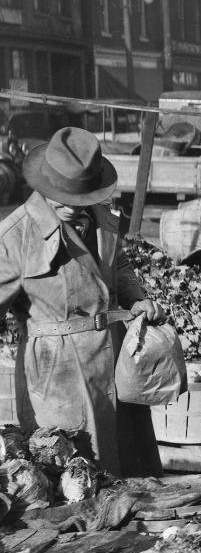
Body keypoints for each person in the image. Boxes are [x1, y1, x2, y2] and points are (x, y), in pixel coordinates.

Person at [0, 128, 164, 476]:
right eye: (64, 197)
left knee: (132, 476)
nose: (73, 206)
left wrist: (138, 299)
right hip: (59, 377)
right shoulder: (14, 238)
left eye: (80, 197)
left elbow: (117, 264)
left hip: (117, 362)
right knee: (75, 479)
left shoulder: (102, 219)